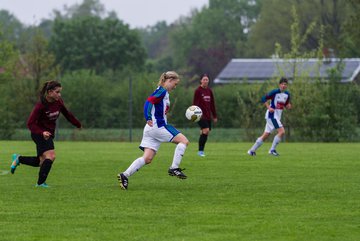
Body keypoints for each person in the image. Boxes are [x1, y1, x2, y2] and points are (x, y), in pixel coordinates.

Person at [117, 71, 189, 190]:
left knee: (147, 158)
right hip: (158, 126)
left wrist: (150, 118)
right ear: (169, 80)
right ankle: (174, 168)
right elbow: (149, 101)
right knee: (184, 141)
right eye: (175, 84)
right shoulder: (162, 91)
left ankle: (124, 175)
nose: (175, 87)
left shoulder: (162, 91)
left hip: (151, 129)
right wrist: (148, 117)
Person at [10, 80, 82, 187]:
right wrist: (42, 132)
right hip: (38, 133)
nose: (59, 94)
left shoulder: (58, 102)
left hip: (48, 134)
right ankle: (40, 183)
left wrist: (77, 124)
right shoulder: (41, 106)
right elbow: (30, 123)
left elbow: (67, 114)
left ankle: (19, 159)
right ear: (49, 92)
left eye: (60, 92)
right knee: (51, 155)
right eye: (57, 92)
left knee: (41, 162)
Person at [247, 77, 291, 156]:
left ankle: (251, 151)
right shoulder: (275, 92)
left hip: (276, 117)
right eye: (282, 84)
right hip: (272, 116)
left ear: (287, 86)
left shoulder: (287, 94)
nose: (284, 86)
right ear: (279, 85)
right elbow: (264, 98)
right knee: (282, 131)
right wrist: (269, 107)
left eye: (285, 84)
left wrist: (288, 106)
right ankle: (272, 150)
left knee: (265, 135)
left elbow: (286, 104)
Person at [192, 74, 217, 157]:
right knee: (205, 130)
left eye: (207, 79)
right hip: (200, 115)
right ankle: (200, 151)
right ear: (201, 81)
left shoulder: (209, 91)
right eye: (204, 79)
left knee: (205, 132)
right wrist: (194, 115)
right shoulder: (198, 91)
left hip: (208, 115)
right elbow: (194, 104)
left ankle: (201, 150)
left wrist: (214, 116)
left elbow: (212, 104)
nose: (206, 81)